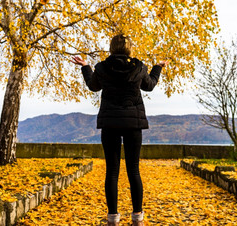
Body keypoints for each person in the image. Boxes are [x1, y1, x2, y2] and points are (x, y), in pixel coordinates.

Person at [71, 34, 168, 226]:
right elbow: (149, 86)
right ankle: (137, 218)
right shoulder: (139, 67)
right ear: (129, 49)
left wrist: (85, 67)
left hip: (110, 123)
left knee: (112, 172)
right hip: (133, 124)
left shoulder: (101, 67)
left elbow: (93, 86)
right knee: (133, 170)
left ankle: (112, 219)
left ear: (111, 48)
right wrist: (158, 67)